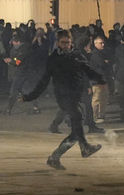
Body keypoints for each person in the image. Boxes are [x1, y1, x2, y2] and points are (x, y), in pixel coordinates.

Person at [20, 29, 105, 170]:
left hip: (75, 95)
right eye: (63, 43)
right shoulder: (54, 59)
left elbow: (86, 69)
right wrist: (29, 96)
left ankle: (55, 157)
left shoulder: (76, 55)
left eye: (68, 42)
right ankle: (84, 148)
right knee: (77, 118)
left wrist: (99, 78)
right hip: (63, 96)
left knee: (76, 130)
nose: (66, 45)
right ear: (58, 43)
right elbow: (44, 81)